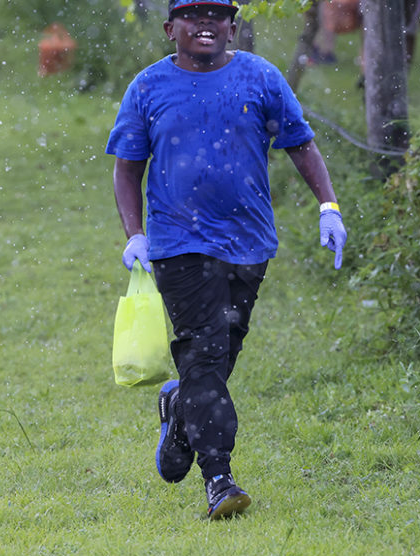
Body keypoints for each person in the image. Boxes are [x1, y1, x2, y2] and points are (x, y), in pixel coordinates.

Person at [106, 0, 347, 520]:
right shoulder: (147, 88)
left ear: (232, 27)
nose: (206, 25)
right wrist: (136, 235)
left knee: (218, 356)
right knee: (206, 351)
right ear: (172, 29)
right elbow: (127, 169)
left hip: (249, 242)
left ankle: (179, 409)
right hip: (178, 246)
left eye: (217, 16)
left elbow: (301, 144)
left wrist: (328, 206)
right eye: (193, 16)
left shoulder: (260, 78)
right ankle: (219, 476)